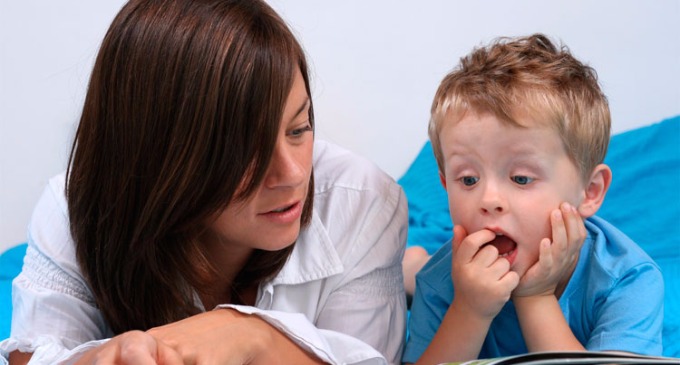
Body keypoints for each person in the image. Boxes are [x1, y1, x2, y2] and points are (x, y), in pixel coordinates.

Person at [0, 0, 408, 364]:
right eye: (248, 150)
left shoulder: (364, 202)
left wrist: (254, 336)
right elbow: (33, 354)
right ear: (163, 154)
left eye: (299, 129)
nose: (294, 174)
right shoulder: (72, 208)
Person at [402, 34, 664, 364]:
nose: (489, 199)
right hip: (434, 279)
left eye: (521, 178)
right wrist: (469, 309)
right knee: (418, 273)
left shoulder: (628, 279)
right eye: (468, 179)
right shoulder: (443, 282)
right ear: (444, 184)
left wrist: (535, 297)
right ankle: (411, 267)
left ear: (591, 191)